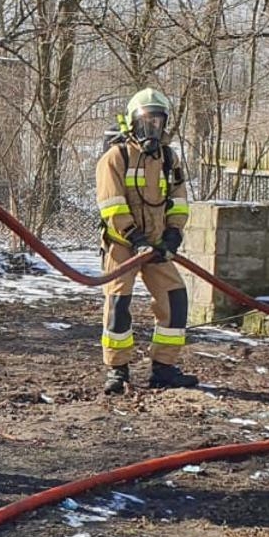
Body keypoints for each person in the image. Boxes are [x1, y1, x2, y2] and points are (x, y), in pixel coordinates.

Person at [96, 88, 200, 394]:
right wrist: (135, 239)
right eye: (145, 122)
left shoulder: (169, 159)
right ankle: (117, 370)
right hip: (122, 245)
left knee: (175, 297)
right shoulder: (116, 157)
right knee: (118, 303)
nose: (151, 129)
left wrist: (173, 234)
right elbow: (111, 206)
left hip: (157, 245)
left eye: (157, 122)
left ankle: (164, 368)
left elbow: (179, 201)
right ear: (132, 123)